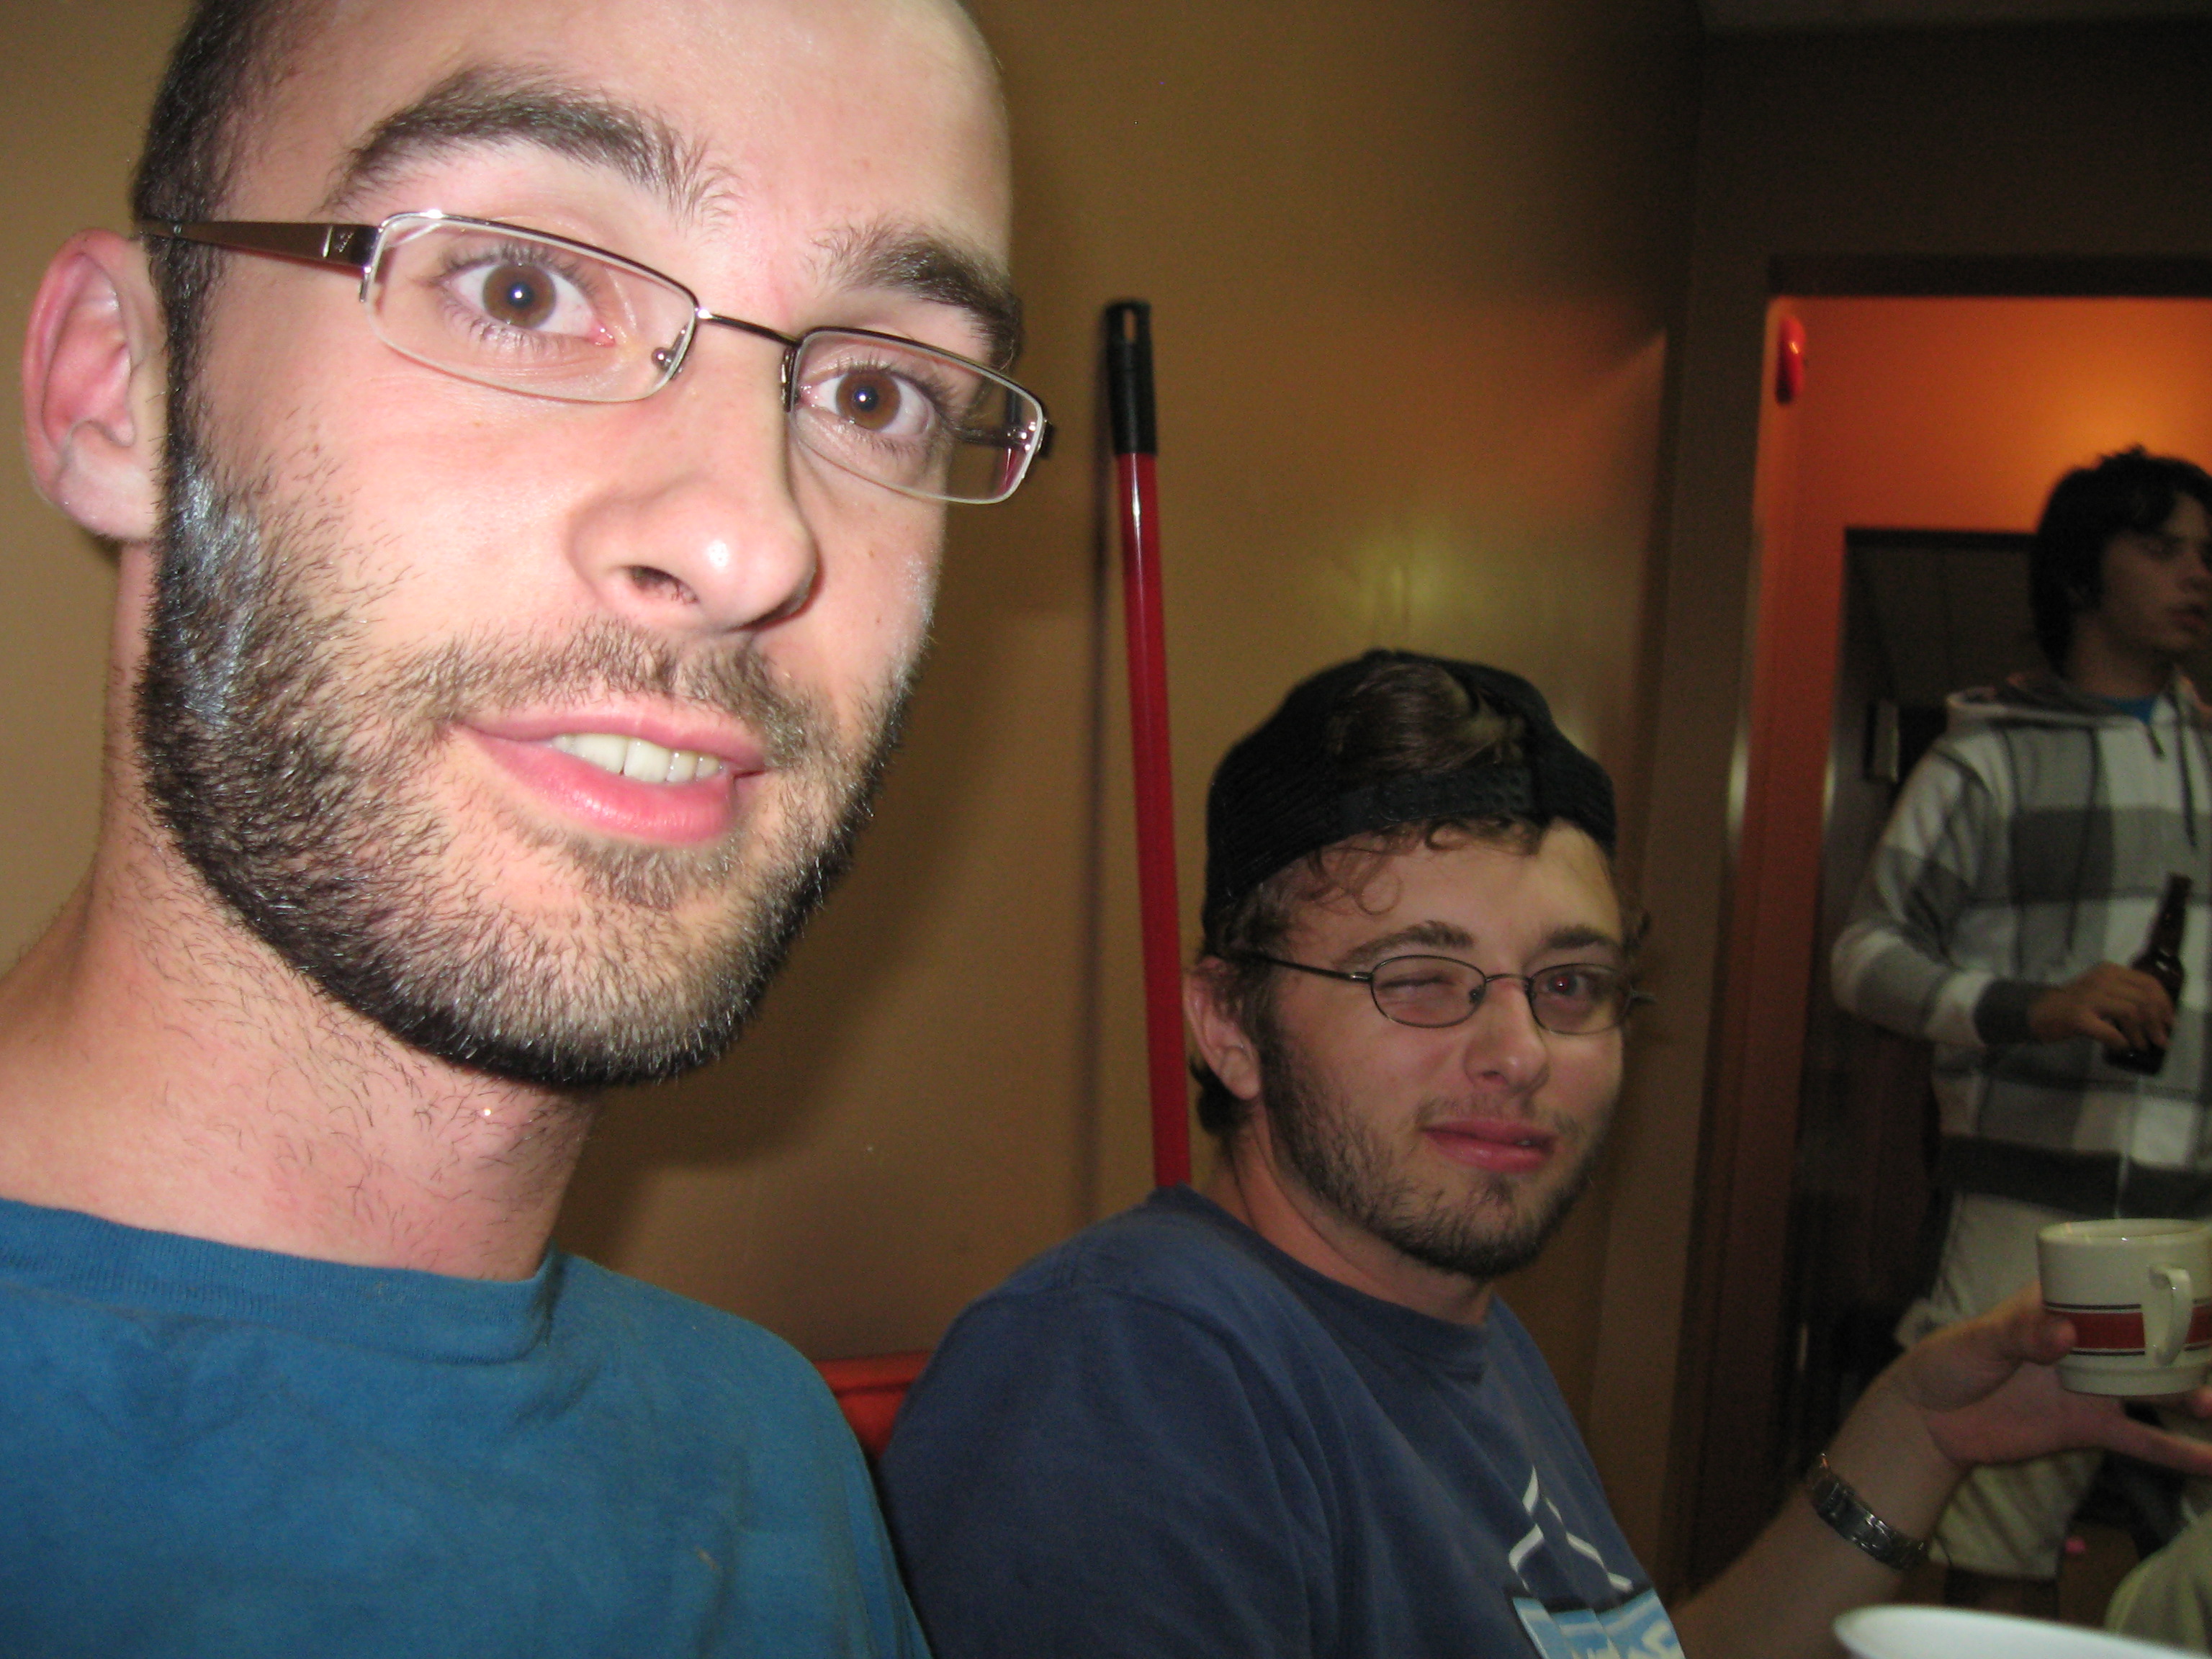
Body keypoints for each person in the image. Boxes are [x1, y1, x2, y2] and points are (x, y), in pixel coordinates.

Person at [0, 0, 1046, 1650]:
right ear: (120, 389)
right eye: (522, 289)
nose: (750, 542)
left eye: (874, 393)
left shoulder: (771, 1471)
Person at [878, 648, 2212, 1659]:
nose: (1519, 1051)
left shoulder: (1458, 1330)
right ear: (1230, 1025)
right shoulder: (1134, 1368)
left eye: (1570, 985)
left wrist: (1916, 1433)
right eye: (1418, 978)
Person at [1831, 449, 2212, 1611]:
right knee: (1999, 1535)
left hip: (2199, 1214)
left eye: (2208, 553)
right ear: (2083, 574)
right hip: (2027, 1211)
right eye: (2164, 548)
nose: (2198, 574)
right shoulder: (1984, 756)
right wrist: (2031, 1007)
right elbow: (1864, 959)